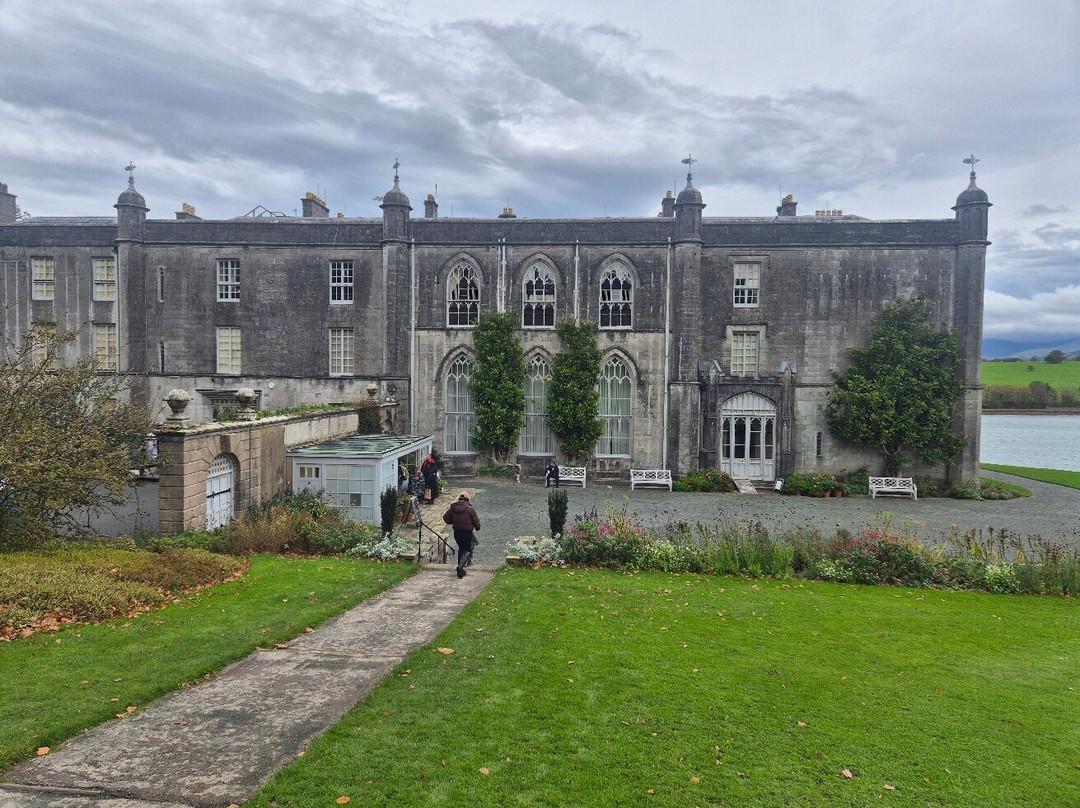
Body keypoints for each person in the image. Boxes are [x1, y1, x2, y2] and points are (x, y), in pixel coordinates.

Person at [443, 490, 480, 578]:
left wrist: (454, 522)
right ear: (467, 499)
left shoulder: (453, 507)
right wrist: (477, 527)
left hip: (457, 532)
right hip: (467, 532)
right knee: (467, 550)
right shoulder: (470, 508)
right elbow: (475, 520)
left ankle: (461, 570)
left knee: (461, 549)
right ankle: (460, 567)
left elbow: (445, 518)